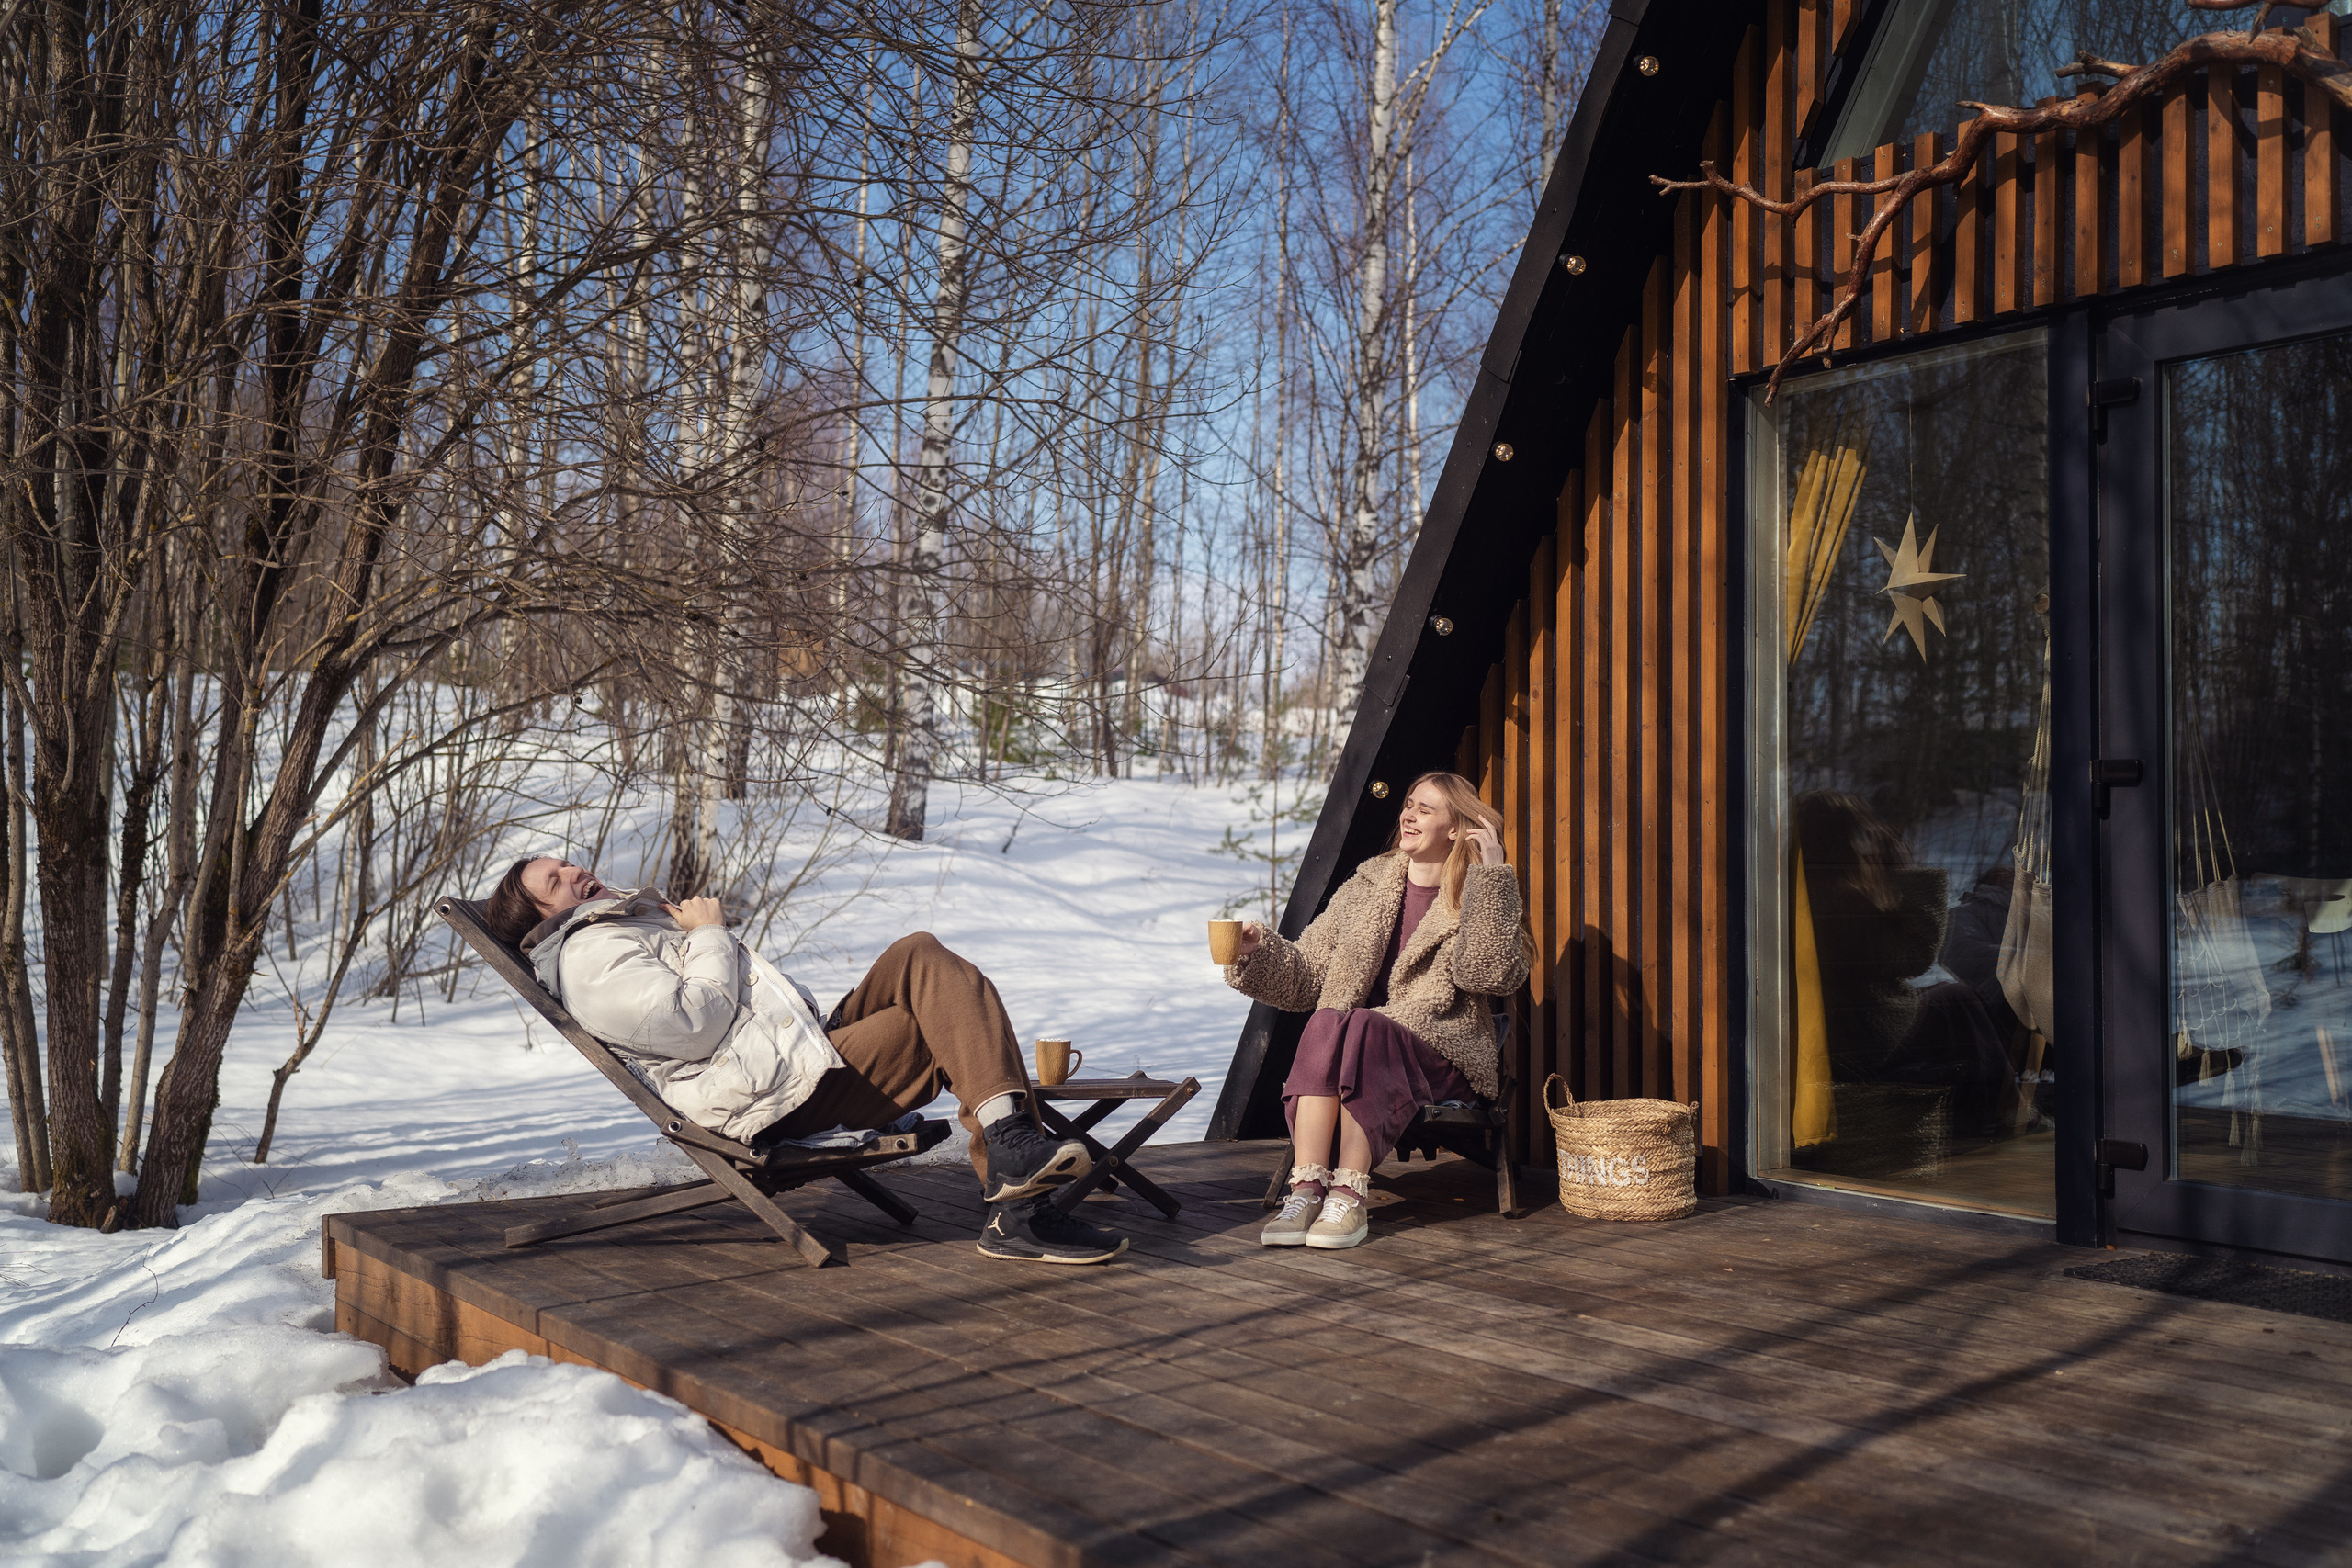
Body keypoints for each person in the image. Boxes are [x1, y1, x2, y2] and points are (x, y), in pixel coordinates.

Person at [480, 857, 1127, 1265]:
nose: (573, 872)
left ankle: (1013, 1163)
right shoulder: (587, 956)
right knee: (929, 1022)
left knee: (919, 953)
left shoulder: (623, 926)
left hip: (791, 1060)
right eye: (554, 882)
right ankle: (1019, 1199)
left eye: (566, 864)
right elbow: (692, 1025)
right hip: (774, 1097)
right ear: (540, 919)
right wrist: (709, 932)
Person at [1223, 771, 1531, 1250]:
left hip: (1441, 1054)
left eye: (1425, 809)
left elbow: (1487, 976)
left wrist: (1491, 877)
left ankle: (1348, 1195)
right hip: (1358, 1047)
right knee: (1328, 1017)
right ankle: (1306, 1190)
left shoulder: (1479, 891)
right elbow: (1307, 977)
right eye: (1408, 805)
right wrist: (1256, 951)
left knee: (1365, 1022)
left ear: (1455, 827)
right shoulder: (1367, 885)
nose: (1409, 815)